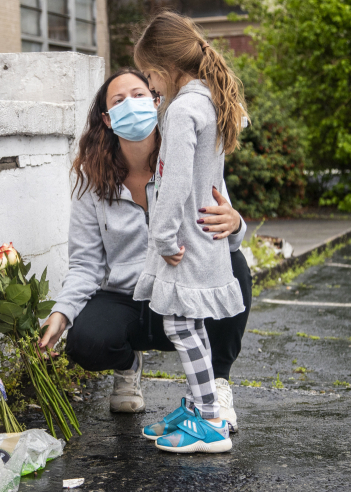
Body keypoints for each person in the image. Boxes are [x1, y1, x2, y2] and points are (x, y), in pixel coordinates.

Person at [38, 66, 251, 433]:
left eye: (139, 95)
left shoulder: (189, 157)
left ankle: (216, 382)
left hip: (183, 290)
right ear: (106, 118)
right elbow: (86, 263)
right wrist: (62, 312)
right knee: (85, 343)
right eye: (118, 100)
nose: (131, 105)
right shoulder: (94, 180)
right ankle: (128, 365)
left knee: (235, 265)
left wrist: (236, 223)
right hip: (129, 298)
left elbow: (224, 233)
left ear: (157, 102)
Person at [131, 11, 250, 453]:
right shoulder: (207, 102)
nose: (149, 85)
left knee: (180, 326)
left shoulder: (184, 109)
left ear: (164, 69)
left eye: (148, 75)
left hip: (184, 241)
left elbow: (176, 182)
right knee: (188, 324)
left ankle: (211, 422)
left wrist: (161, 237)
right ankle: (203, 410)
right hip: (202, 237)